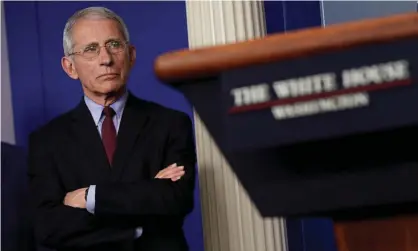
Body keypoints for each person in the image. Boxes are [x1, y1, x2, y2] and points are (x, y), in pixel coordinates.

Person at [28, 6, 196, 251]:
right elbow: (48, 226)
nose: (105, 59)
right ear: (70, 67)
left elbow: (174, 200)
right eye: (90, 49)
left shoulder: (171, 124)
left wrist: (89, 197)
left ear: (131, 55)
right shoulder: (46, 141)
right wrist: (136, 222)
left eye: (114, 45)